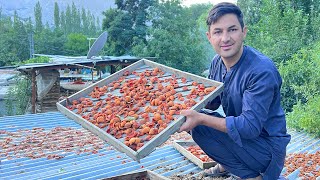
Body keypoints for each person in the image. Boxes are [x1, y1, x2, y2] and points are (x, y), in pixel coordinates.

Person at [179, 2, 291, 180]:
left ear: (243, 32)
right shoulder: (217, 62)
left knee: (200, 124)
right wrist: (183, 99)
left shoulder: (261, 71)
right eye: (218, 32)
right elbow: (213, 101)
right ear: (209, 36)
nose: (225, 38)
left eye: (232, 30)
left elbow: (249, 128)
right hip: (247, 142)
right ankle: (228, 165)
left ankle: (254, 176)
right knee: (192, 119)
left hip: (267, 150)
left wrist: (200, 118)